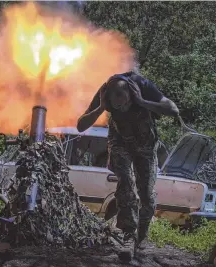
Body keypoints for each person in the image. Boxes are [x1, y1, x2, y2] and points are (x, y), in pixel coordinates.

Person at [77, 71, 179, 262]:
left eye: (124, 103)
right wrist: (100, 108)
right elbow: (80, 126)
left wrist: (142, 102)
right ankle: (128, 236)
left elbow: (173, 110)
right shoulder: (105, 92)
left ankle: (140, 236)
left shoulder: (142, 85)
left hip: (146, 145)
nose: (121, 109)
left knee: (147, 195)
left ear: (131, 94)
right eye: (116, 107)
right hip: (120, 143)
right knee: (126, 184)